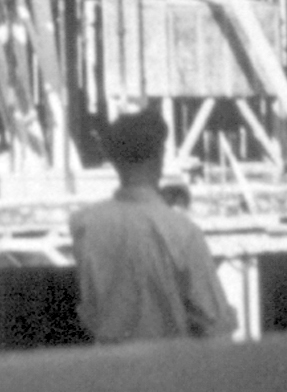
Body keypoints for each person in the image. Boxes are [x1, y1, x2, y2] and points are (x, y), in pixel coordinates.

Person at [69, 105, 236, 345]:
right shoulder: (182, 231)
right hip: (169, 369)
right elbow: (216, 323)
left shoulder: (84, 225)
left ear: (114, 160)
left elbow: (91, 311)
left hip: (110, 368)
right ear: (160, 156)